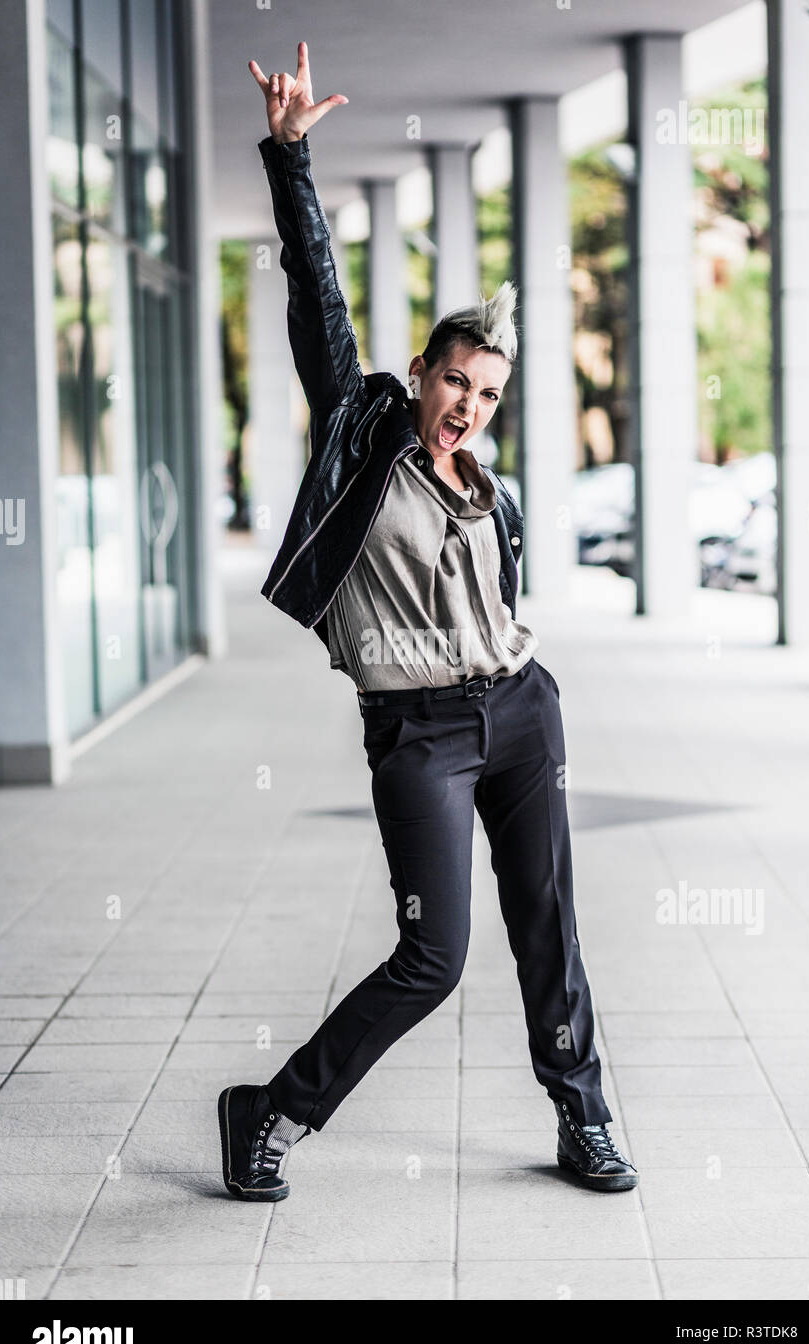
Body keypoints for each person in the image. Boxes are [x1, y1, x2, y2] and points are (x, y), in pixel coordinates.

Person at [218, 41, 638, 1203]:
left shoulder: (486, 489)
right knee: (432, 955)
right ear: (421, 373)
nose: (467, 406)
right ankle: (272, 1109)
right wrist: (290, 155)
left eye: (488, 392)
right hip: (417, 732)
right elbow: (318, 300)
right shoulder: (366, 441)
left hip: (517, 711)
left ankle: (582, 1114)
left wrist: (525, 679)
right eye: (455, 382)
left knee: (547, 925)